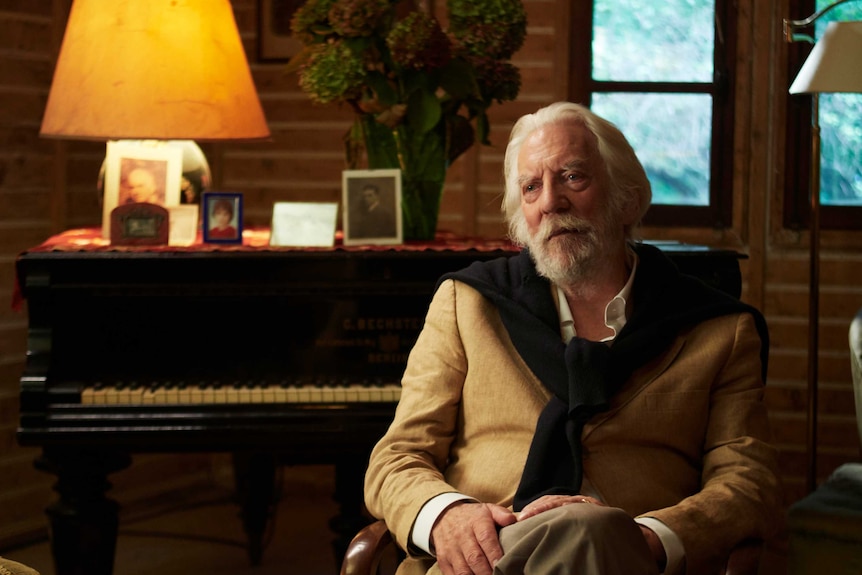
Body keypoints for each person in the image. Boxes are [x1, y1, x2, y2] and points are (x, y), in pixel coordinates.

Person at [363, 102, 783, 575]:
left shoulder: (717, 329)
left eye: (572, 177)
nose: (550, 202)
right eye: (531, 187)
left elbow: (747, 481)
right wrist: (448, 515)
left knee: (590, 528)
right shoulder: (468, 304)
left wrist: (649, 538)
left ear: (626, 198)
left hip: (628, 557)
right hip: (488, 558)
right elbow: (397, 458)